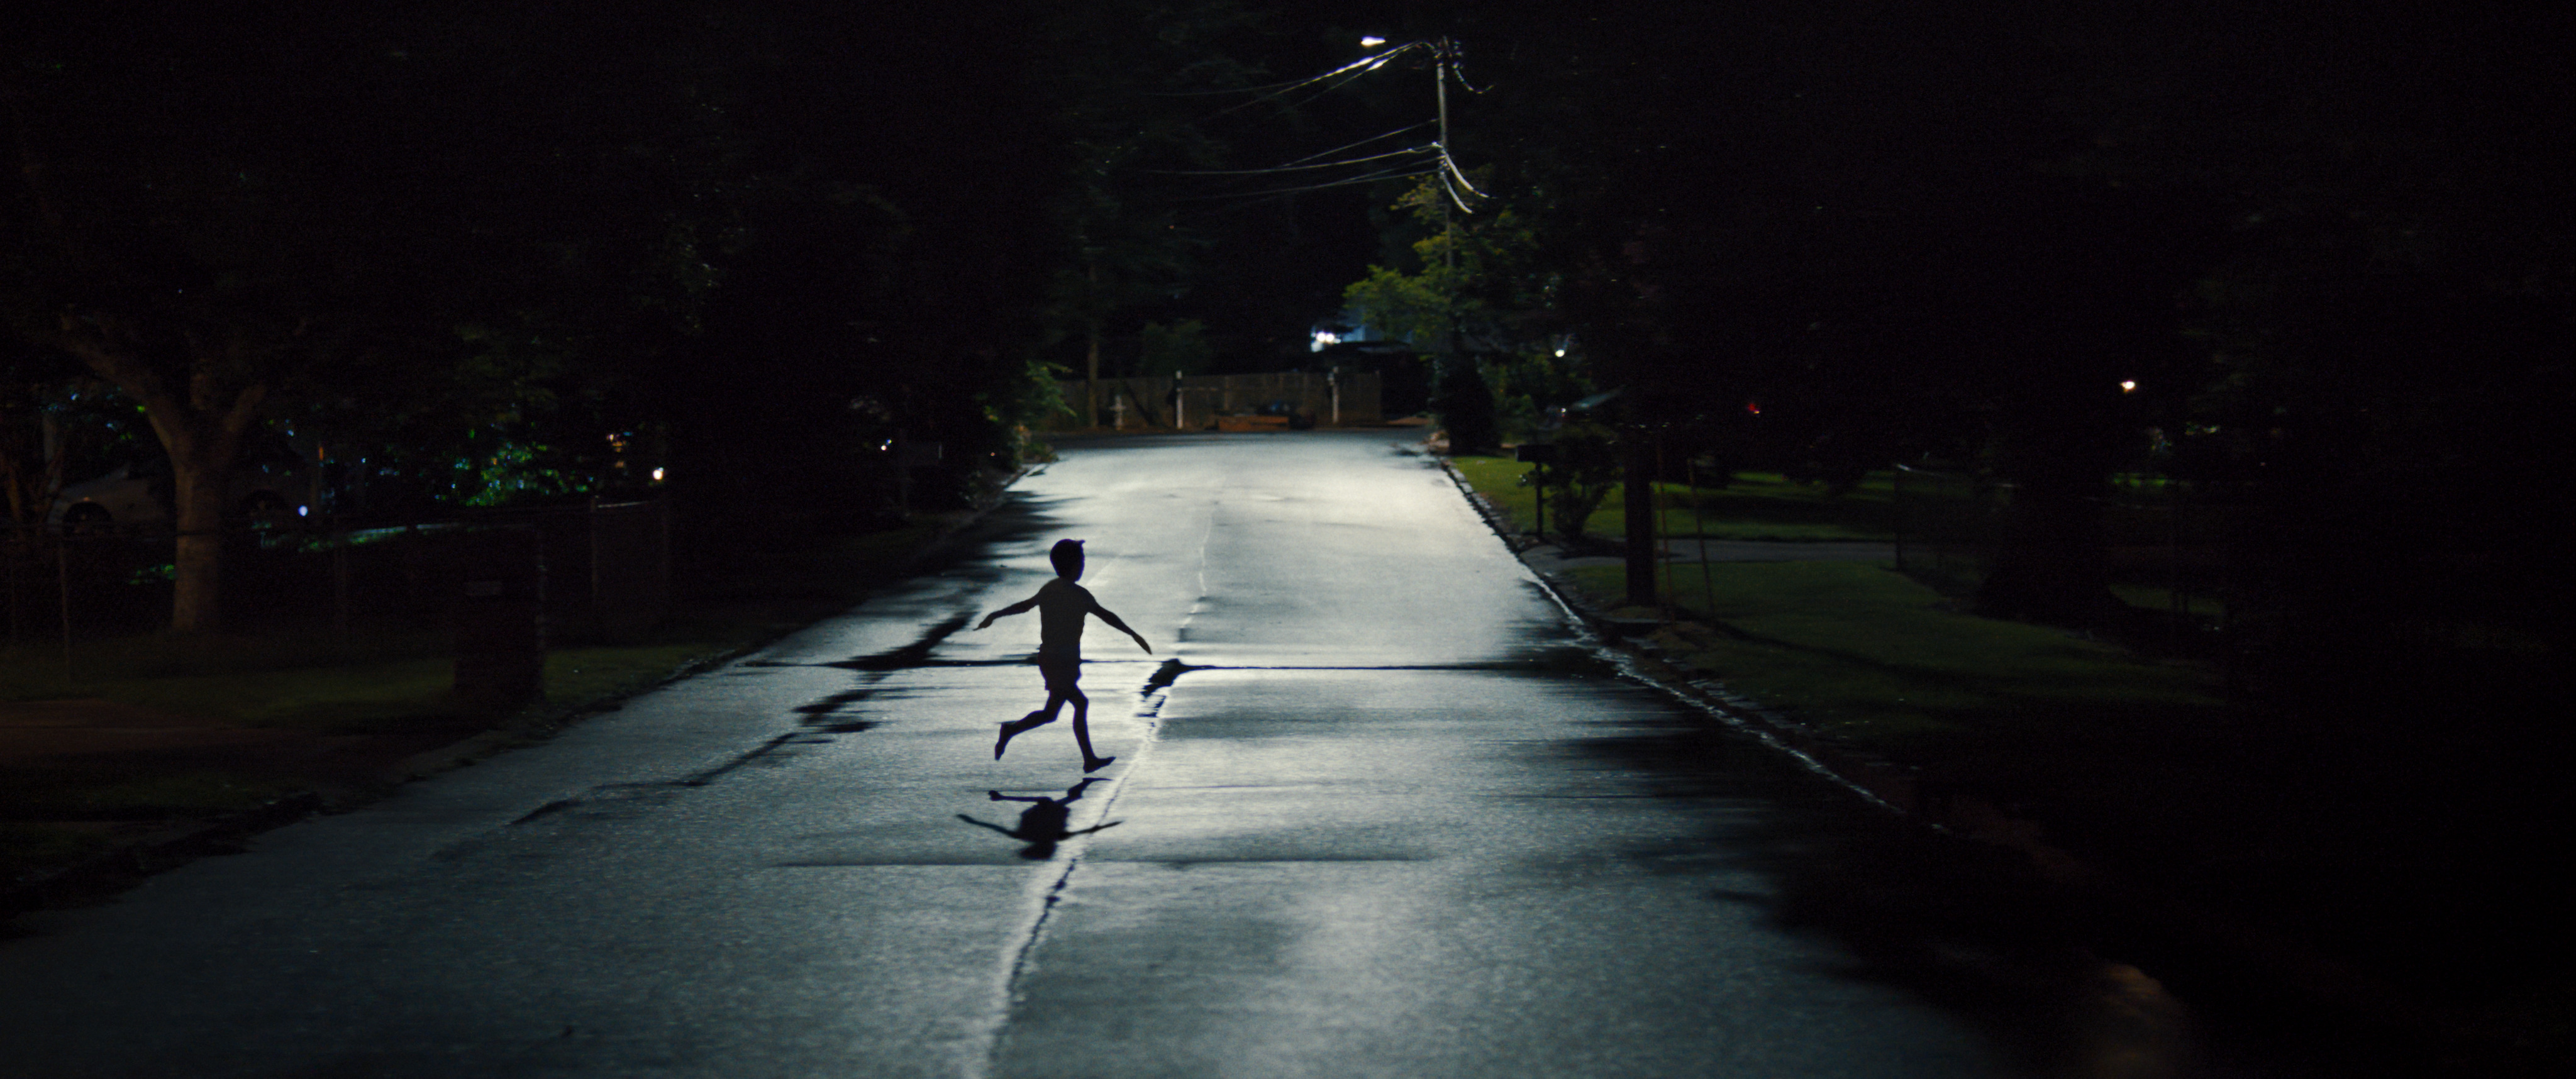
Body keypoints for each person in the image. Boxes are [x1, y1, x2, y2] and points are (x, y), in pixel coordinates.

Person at [976, 538, 1150, 771]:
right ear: (1074, 565)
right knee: (1080, 703)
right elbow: (1106, 616)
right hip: (1059, 662)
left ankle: (1011, 730)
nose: (1084, 565)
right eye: (1082, 561)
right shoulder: (1080, 595)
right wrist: (1132, 634)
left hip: (1053, 660)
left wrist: (996, 615)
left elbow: (1024, 606)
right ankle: (1089, 759)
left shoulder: (1050, 589)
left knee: (1050, 714)